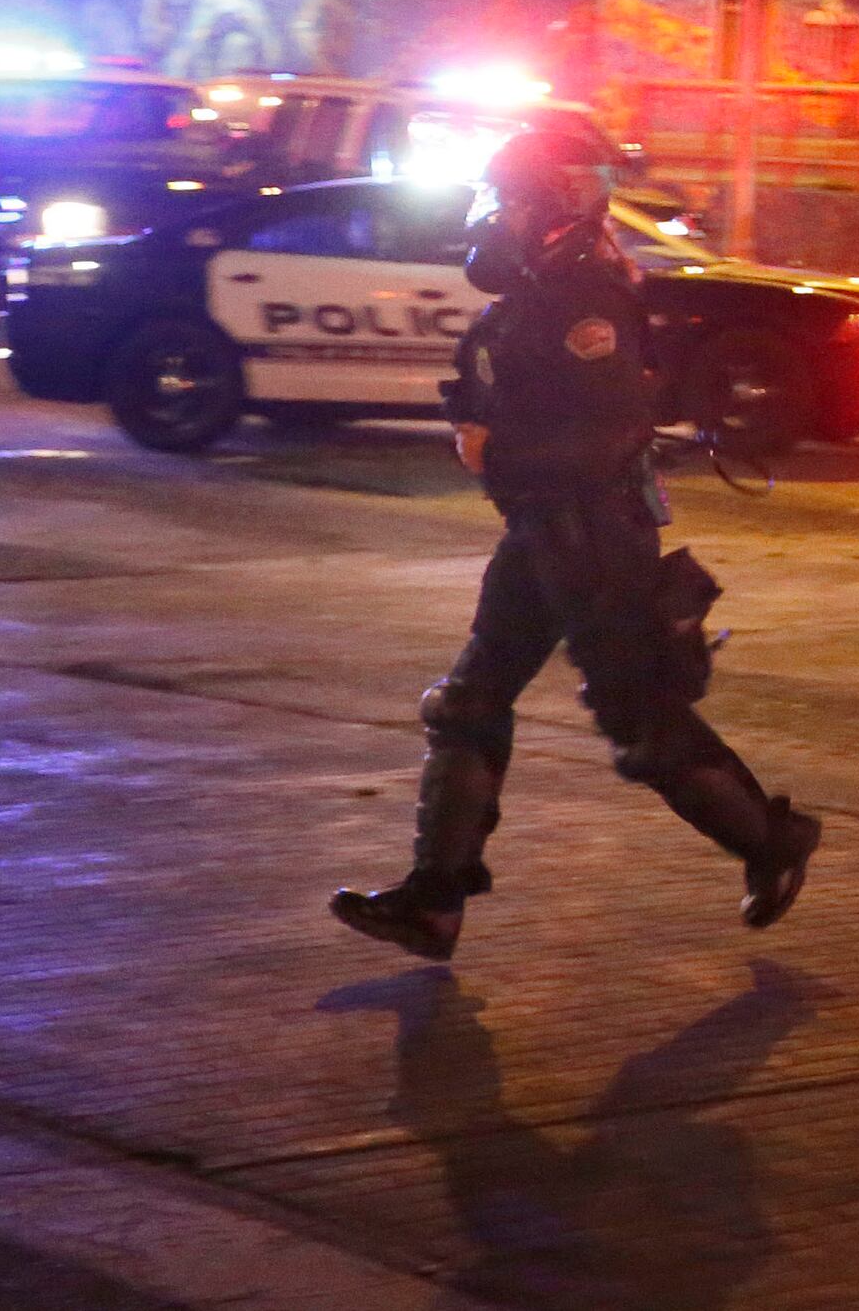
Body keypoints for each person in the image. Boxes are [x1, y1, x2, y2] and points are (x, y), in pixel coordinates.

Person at [331, 127, 819, 960]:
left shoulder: (589, 301)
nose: (497, 217)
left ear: (554, 204)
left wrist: (497, 452)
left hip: (594, 533)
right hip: (542, 529)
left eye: (512, 200)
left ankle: (772, 845)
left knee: (642, 722)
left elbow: (607, 434)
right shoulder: (539, 293)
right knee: (471, 703)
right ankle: (433, 901)